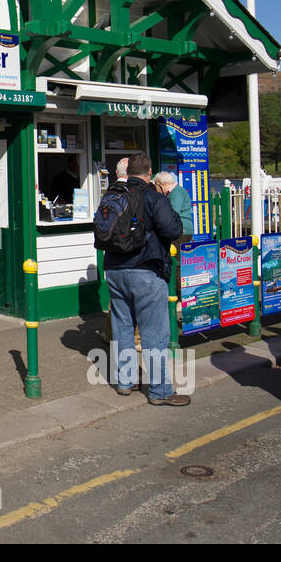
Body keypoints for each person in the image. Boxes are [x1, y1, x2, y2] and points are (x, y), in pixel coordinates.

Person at [102, 153, 187, 405]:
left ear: (127, 173)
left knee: (123, 328)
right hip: (146, 270)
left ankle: (126, 382)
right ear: (149, 173)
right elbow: (174, 230)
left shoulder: (112, 195)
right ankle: (160, 391)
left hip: (114, 270)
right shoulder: (154, 197)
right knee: (154, 334)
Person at [154, 171, 193, 242]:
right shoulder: (175, 192)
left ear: (164, 184)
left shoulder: (176, 192)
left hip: (182, 230)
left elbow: (173, 212)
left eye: (157, 185)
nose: (157, 189)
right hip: (181, 229)